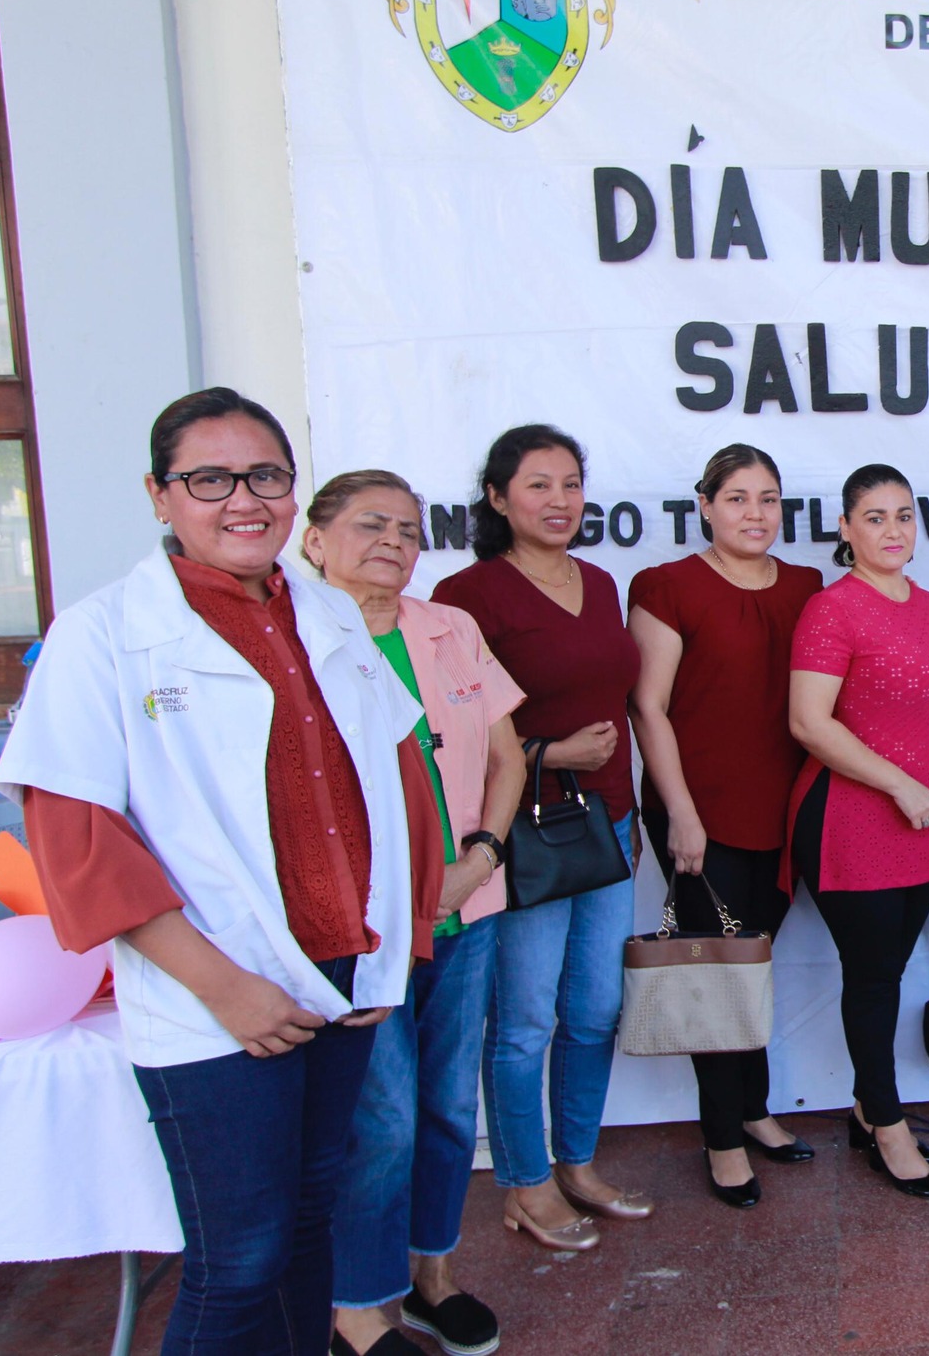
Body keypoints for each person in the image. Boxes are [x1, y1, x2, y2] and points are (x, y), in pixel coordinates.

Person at [0, 388, 442, 1355]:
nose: (244, 499)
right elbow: (77, 839)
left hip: (341, 983)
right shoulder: (104, 633)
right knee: (239, 1258)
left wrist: (391, 949)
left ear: (293, 493)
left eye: (267, 476)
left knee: (310, 1224)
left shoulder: (327, 612)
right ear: (160, 495)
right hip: (218, 1001)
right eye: (210, 478)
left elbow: (397, 777)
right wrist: (228, 990)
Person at [306, 471, 526, 1356]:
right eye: (370, 525)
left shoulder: (450, 627)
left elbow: (508, 760)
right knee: (381, 1115)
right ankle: (360, 1307)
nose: (394, 541)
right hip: (358, 925)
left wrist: (477, 861)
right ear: (315, 539)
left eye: (407, 528)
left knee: (443, 1104)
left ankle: (434, 1274)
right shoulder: (292, 639)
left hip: (465, 909)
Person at [432, 425, 648, 1252]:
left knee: (593, 1008)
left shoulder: (598, 581)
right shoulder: (466, 595)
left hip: (607, 822)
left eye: (570, 484)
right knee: (523, 1018)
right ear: (496, 498)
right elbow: (454, 723)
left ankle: (579, 1163)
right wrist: (546, 752)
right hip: (522, 833)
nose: (559, 501)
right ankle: (524, 1182)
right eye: (537, 486)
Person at [629, 444, 824, 1210]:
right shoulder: (667, 585)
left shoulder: (807, 585)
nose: (755, 513)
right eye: (738, 498)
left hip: (784, 806)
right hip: (700, 809)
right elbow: (648, 706)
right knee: (714, 975)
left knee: (753, 962)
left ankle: (753, 1107)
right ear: (705, 504)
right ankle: (722, 1138)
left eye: (768, 498)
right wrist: (680, 812)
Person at [786, 463, 929, 1199]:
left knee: (888, 973)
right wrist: (898, 783)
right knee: (871, 977)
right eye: (874, 516)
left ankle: (869, 1104)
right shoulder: (832, 610)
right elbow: (807, 721)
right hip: (851, 819)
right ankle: (887, 1125)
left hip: (924, 822)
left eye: (904, 515)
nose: (892, 530)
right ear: (845, 528)